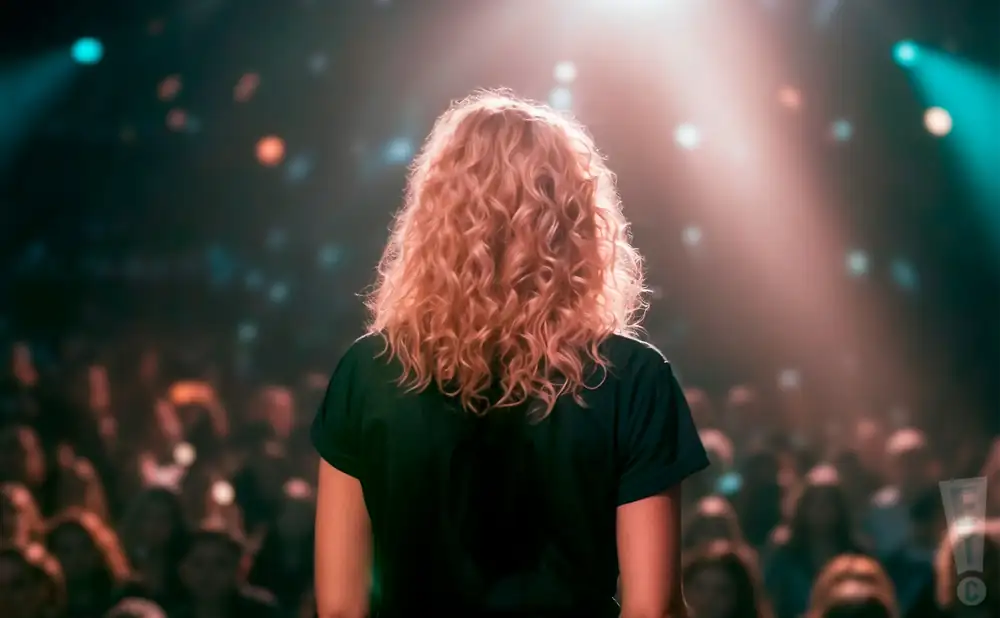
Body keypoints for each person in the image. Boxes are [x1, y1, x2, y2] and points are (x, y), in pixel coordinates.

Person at [310, 90, 710, 618]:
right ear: (576, 218)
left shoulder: (368, 373)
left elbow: (340, 607)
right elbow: (652, 609)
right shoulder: (633, 379)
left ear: (435, 214)